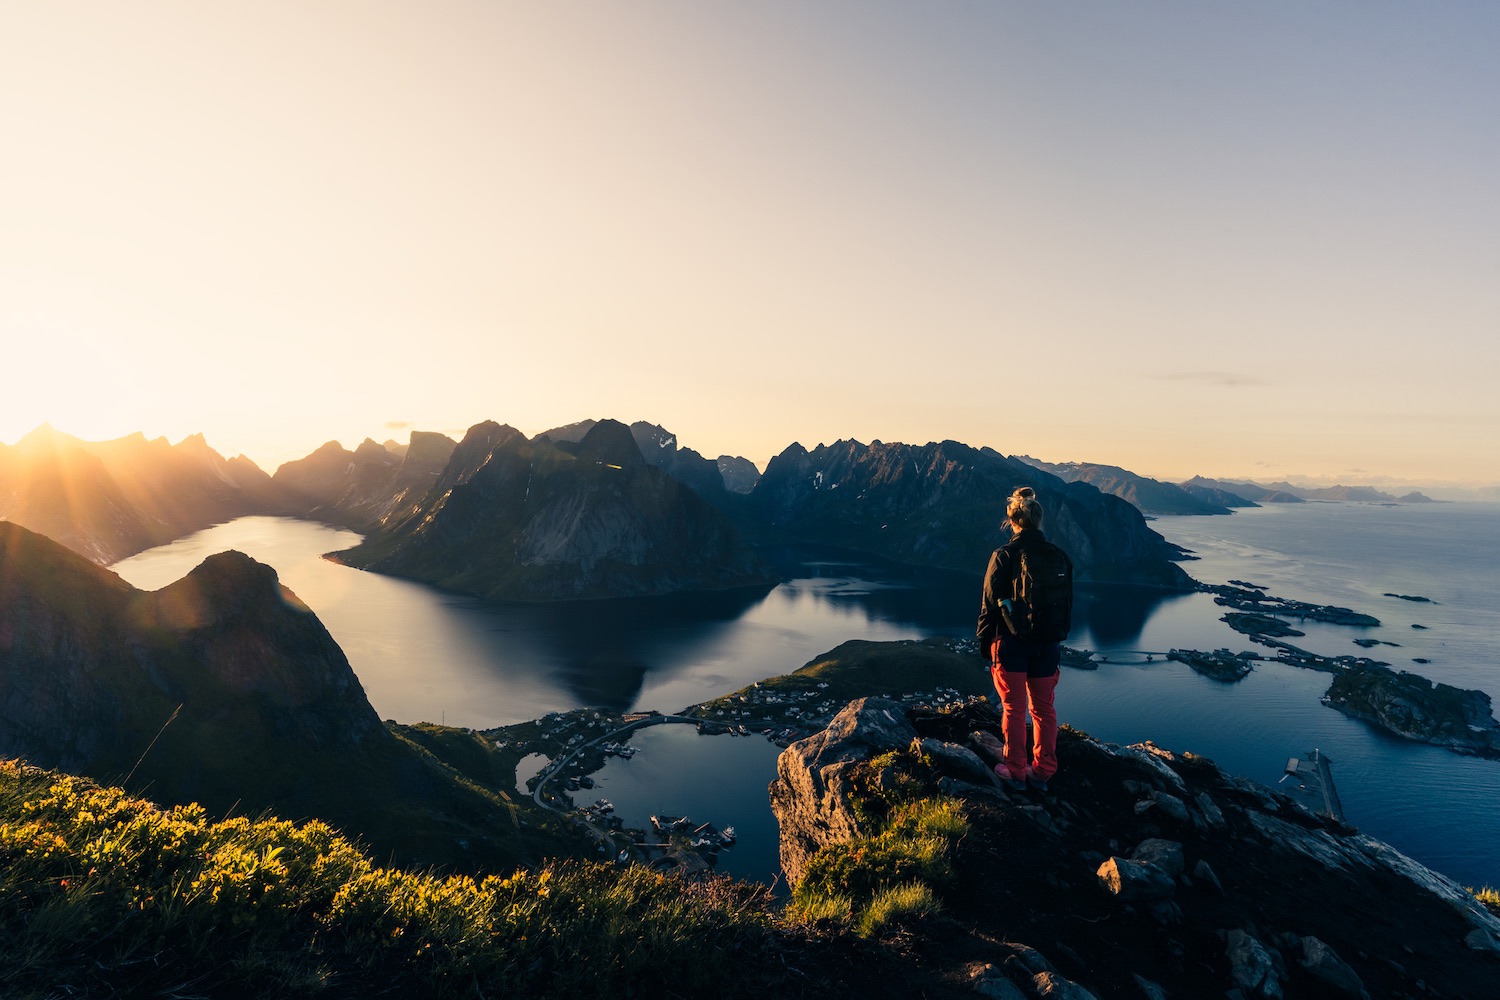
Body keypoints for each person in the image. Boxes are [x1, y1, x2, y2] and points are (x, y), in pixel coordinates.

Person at [977, 486, 1064, 792]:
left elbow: (989, 605)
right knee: (1044, 710)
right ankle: (1043, 771)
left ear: (1012, 521)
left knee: (1014, 709)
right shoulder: (1057, 556)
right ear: (1039, 521)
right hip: (1046, 646)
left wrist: (984, 644)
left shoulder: (1003, 555)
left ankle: (1014, 770)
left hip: (1010, 644)